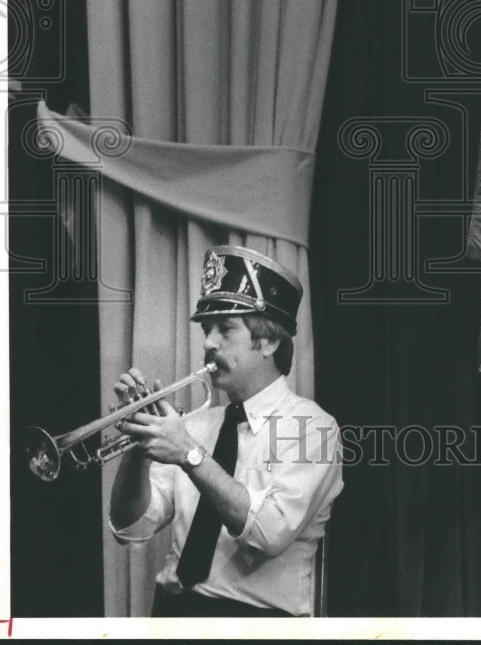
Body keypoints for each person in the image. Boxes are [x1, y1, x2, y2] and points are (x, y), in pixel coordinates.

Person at [109, 245, 343, 618]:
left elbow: (270, 533)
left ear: (268, 342)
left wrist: (189, 454)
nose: (207, 343)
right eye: (206, 329)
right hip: (171, 615)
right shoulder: (196, 425)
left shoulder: (312, 428)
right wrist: (140, 447)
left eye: (225, 329)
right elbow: (131, 528)